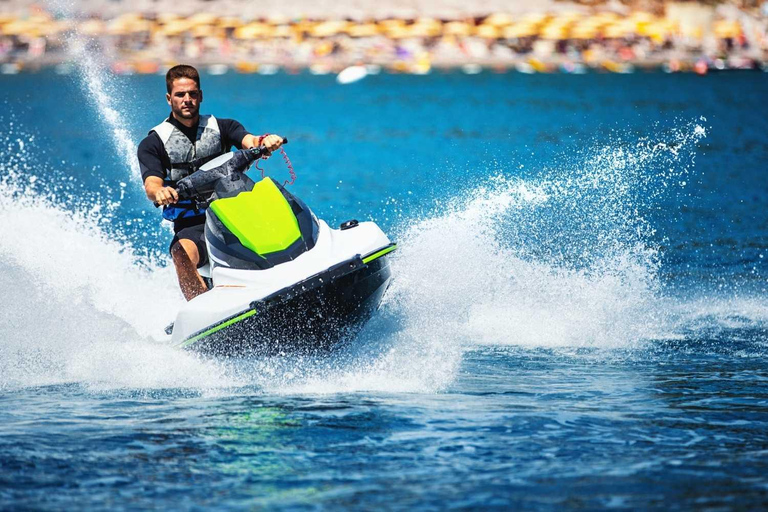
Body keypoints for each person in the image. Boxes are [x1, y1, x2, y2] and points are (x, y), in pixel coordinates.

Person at [137, 64, 284, 301]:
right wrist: (160, 192)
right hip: (194, 223)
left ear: (201, 96)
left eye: (192, 94)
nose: (187, 100)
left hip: (235, 208)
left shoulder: (223, 127)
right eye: (180, 94)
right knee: (181, 254)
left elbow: (250, 140)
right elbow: (151, 184)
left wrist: (266, 141)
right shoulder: (153, 143)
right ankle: (203, 309)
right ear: (169, 98)